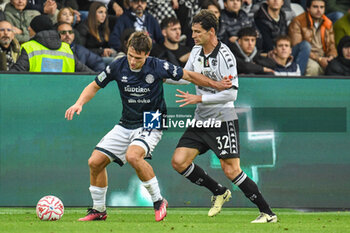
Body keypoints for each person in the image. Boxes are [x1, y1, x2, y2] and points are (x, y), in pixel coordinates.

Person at [64, 31, 232, 222]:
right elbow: (94, 85)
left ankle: (158, 201)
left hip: (152, 119)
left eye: (138, 58)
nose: (133, 61)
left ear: (147, 54)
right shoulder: (118, 65)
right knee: (94, 162)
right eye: (130, 56)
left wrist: (217, 85)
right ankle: (99, 210)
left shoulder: (158, 66)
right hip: (126, 121)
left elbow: (189, 75)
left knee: (133, 156)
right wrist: (79, 103)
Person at [171, 9, 277, 223]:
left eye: (197, 32)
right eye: (192, 31)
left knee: (231, 170)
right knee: (179, 161)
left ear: (211, 32)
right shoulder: (196, 51)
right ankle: (219, 191)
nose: (193, 36)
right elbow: (186, 76)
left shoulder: (226, 56)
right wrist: (163, 75)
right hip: (202, 119)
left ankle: (267, 213)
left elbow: (231, 93)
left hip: (222, 118)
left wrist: (199, 99)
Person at [10, 15, 91, 72]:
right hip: (62, 93)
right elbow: (85, 72)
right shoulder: (66, 48)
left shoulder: (29, 47)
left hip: (36, 94)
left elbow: (17, 72)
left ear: (36, 29)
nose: (28, 28)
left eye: (31, 26)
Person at [288, 0, 337, 76]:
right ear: (308, 8)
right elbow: (298, 46)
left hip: (323, 57)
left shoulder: (328, 23)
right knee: (313, 67)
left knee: (336, 67)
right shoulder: (298, 21)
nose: (319, 10)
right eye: (315, 7)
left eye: (321, 7)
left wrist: (331, 57)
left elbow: (332, 46)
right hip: (308, 57)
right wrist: (319, 59)